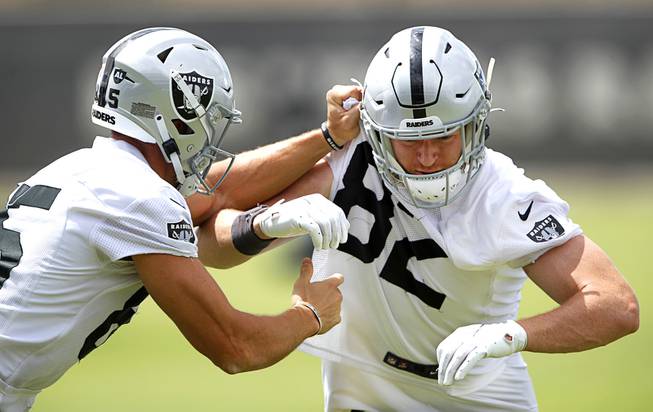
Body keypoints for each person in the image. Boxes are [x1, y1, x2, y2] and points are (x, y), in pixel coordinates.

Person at [235, 26, 638, 411]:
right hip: (363, 392)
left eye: (443, 137)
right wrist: (263, 223)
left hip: (480, 395)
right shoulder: (349, 162)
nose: (426, 158)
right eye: (408, 140)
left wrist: (513, 333)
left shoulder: (504, 195)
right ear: (376, 133)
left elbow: (616, 305)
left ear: (476, 125)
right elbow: (213, 237)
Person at [0, 27, 360, 412]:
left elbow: (217, 193)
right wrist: (310, 315)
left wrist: (328, 137)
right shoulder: (139, 198)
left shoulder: (79, 169)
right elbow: (237, 347)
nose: (209, 130)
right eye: (209, 115)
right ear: (173, 113)